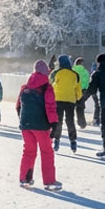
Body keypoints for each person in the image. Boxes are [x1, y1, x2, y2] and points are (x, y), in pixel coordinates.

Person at [16, 59, 61, 190]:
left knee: (28, 151)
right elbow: (50, 107)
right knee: (46, 152)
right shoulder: (47, 87)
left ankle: (25, 178)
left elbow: (18, 107)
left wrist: (24, 121)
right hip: (41, 126)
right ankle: (49, 181)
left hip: (26, 125)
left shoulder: (25, 87)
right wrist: (54, 124)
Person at [49, 55, 82, 153]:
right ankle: (73, 141)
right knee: (70, 121)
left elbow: (50, 85)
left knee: (58, 121)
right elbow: (78, 89)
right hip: (70, 100)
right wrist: (78, 98)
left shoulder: (55, 73)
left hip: (58, 99)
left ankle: (57, 140)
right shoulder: (75, 74)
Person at [73, 57, 92, 129]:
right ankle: (82, 123)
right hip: (82, 91)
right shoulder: (85, 71)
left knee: (71, 108)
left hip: (73, 90)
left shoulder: (72, 70)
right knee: (80, 108)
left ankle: (70, 122)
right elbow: (87, 82)